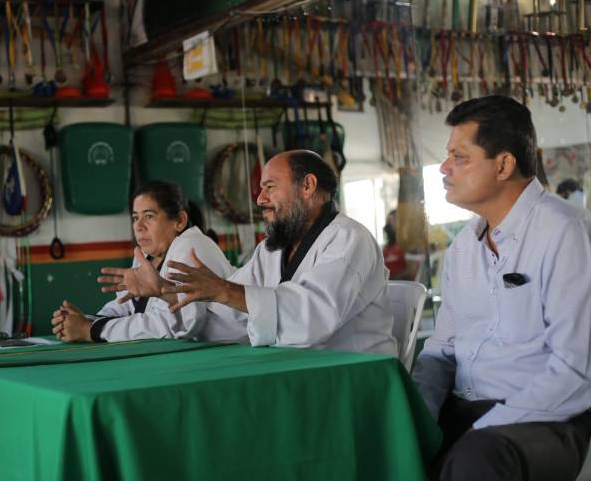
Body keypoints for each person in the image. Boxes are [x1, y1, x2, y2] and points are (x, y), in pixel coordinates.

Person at [412, 95, 591, 481]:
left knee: (477, 459)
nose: (444, 168)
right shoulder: (464, 247)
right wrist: (417, 417)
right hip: (466, 410)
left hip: (545, 418)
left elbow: (576, 369)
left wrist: (484, 427)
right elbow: (442, 350)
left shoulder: (566, 231)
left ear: (505, 165)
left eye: (459, 157)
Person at [102, 150, 396, 354]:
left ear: (307, 185)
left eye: (270, 187)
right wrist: (165, 291)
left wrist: (224, 291)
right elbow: (229, 317)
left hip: (354, 374)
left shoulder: (348, 239)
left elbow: (311, 319)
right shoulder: (271, 250)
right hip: (301, 374)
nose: (260, 198)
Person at [51, 181, 247, 343]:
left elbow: (171, 325)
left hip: (237, 351)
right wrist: (85, 320)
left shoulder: (191, 248)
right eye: (135, 218)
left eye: (149, 216)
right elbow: (127, 306)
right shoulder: (147, 257)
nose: (139, 226)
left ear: (179, 220)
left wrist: (91, 330)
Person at [383, 209, 408, 279]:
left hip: (401, 284)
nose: (392, 223)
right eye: (390, 221)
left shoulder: (407, 245)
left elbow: (411, 270)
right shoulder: (387, 247)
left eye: (394, 219)